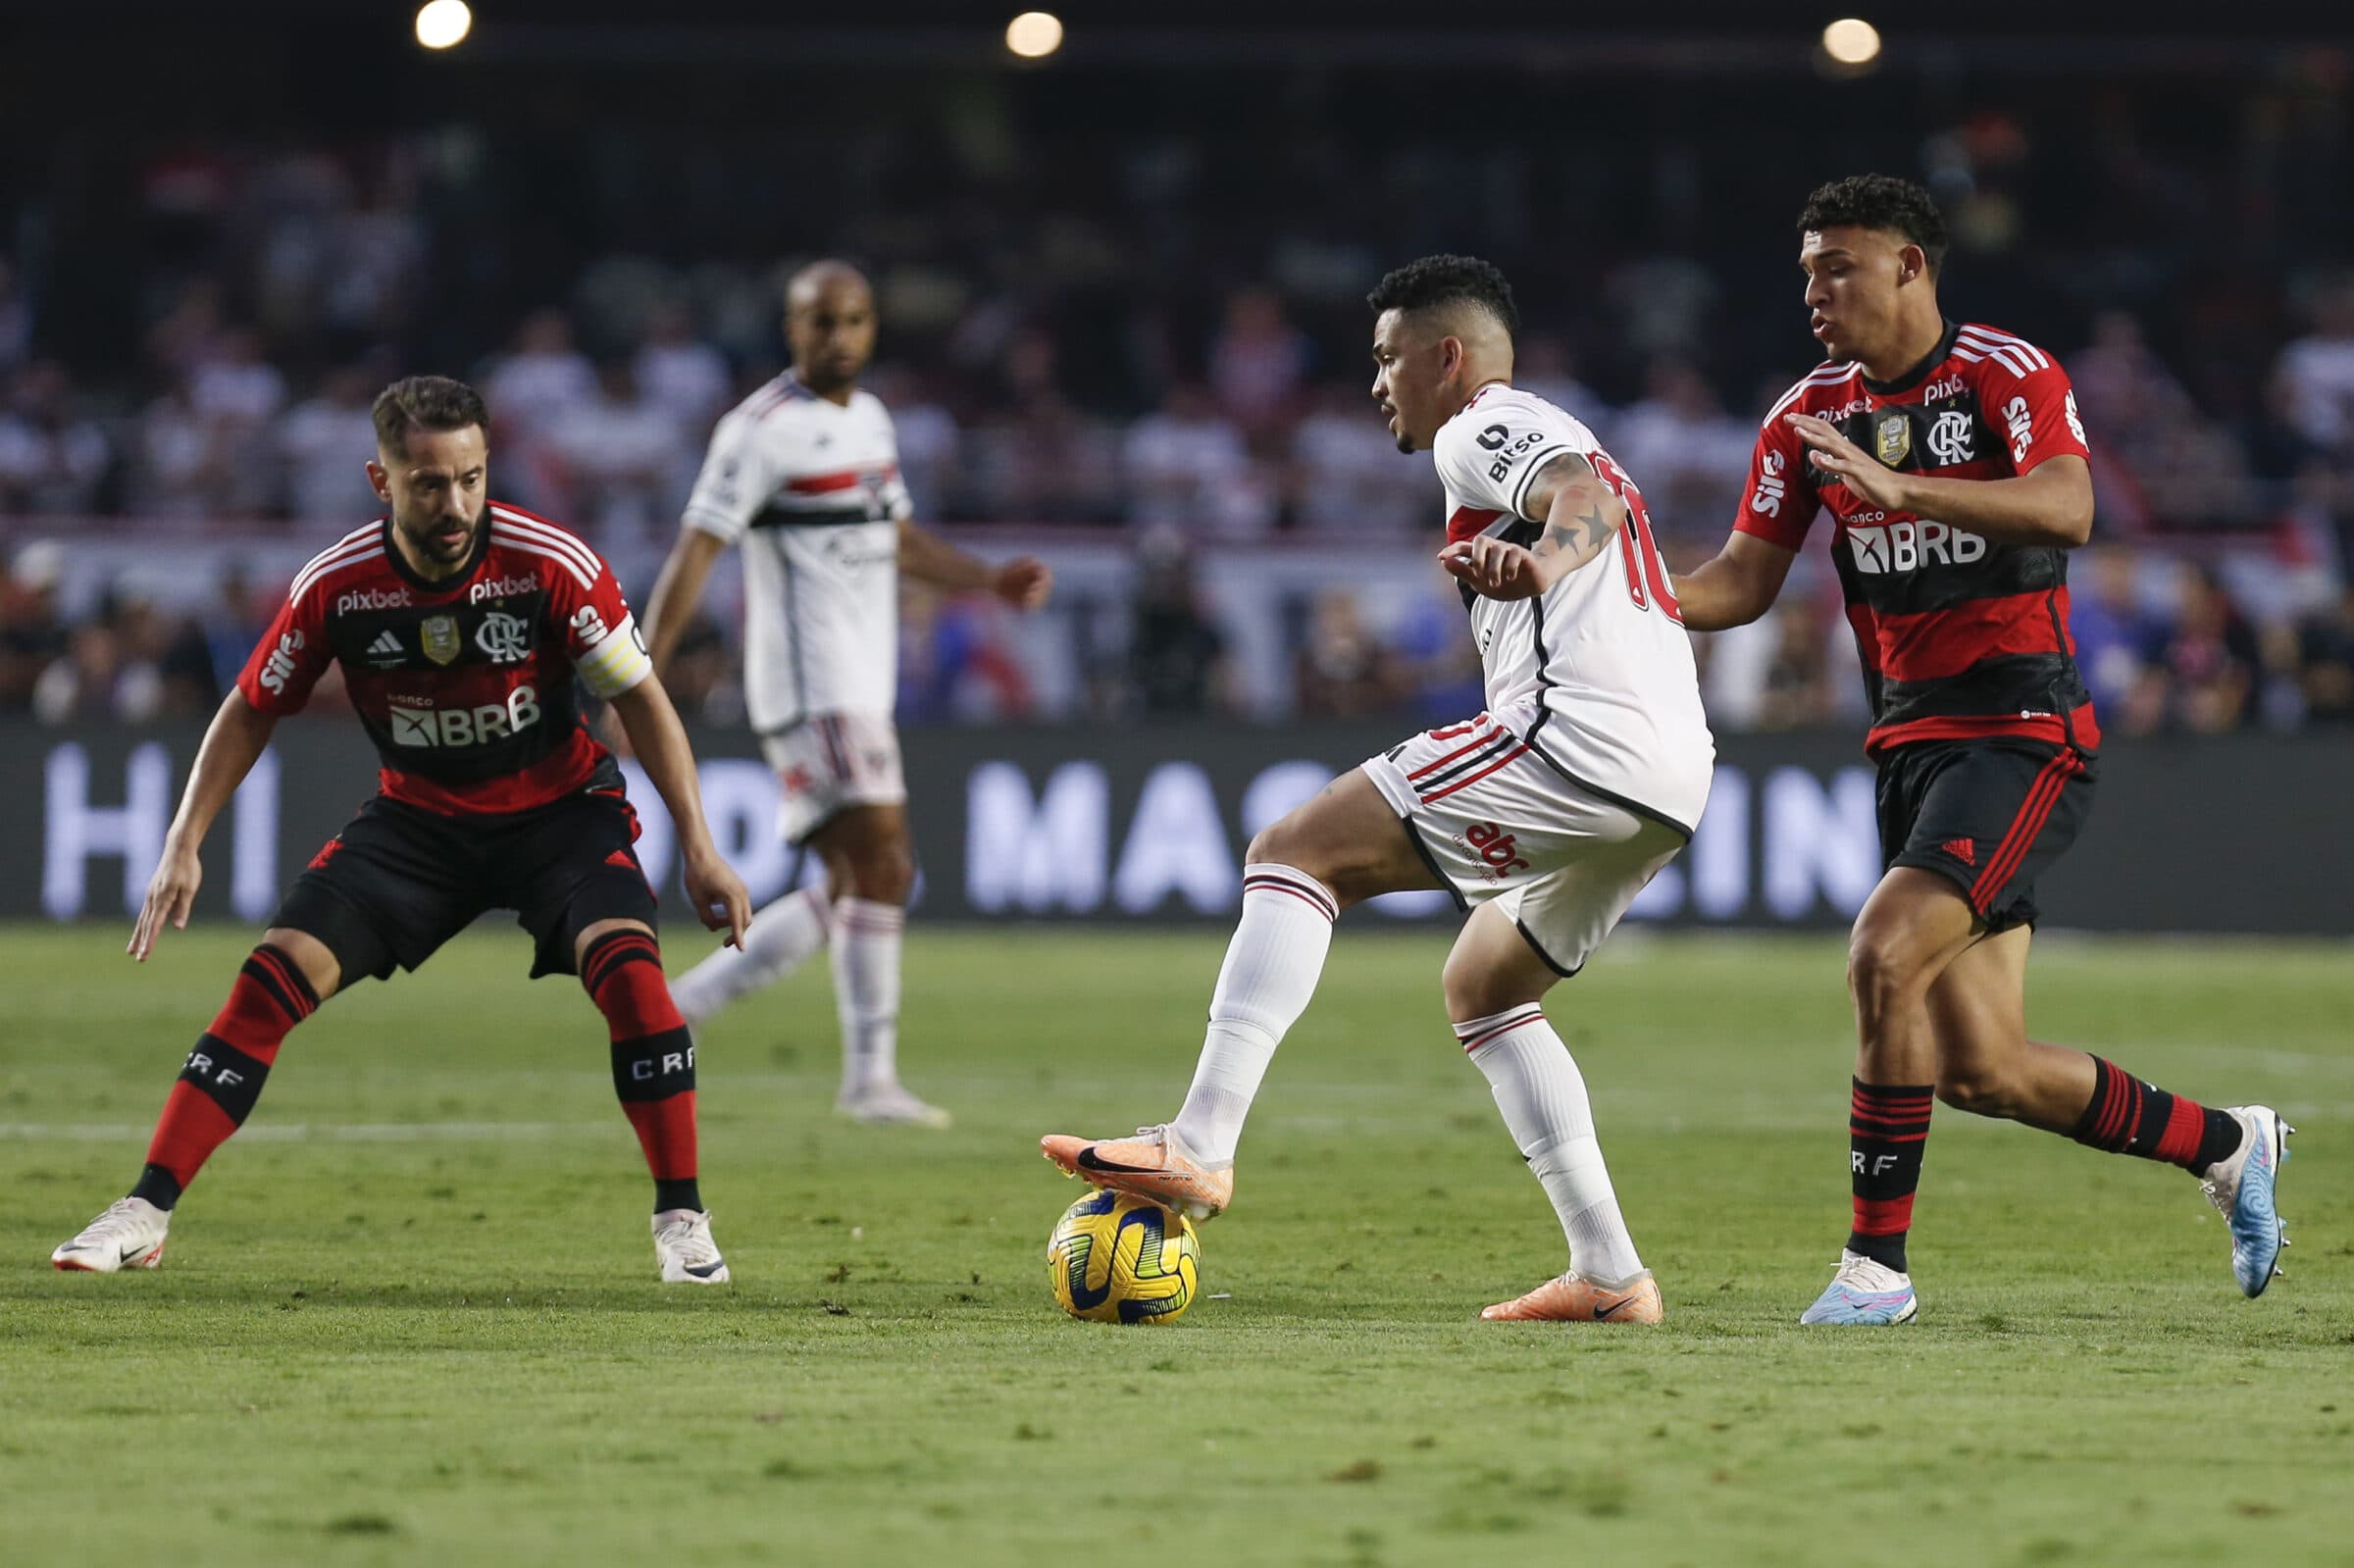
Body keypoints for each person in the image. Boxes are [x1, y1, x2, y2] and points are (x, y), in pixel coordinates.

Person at [1042, 255, 1714, 1324]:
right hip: (1675, 778)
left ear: (1446, 357)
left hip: (1573, 742)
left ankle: (1199, 1142)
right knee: (1486, 991)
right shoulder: (1547, 441)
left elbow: (1575, 504)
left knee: (1293, 851)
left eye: (1387, 358)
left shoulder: (1483, 422)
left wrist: (1542, 563)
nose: (1376, 385)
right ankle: (1610, 1274)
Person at [1672, 176, 2291, 1326]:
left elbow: (2068, 509)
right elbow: (1740, 584)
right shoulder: (1805, 415)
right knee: (1983, 1070)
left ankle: (1875, 1272)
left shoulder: (2007, 374)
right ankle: (2228, 1144)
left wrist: (1903, 484)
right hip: (1908, 742)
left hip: (2020, 726)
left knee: (1882, 952)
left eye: (1839, 266)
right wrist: (1608, 587)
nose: (1815, 290)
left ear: (1912, 265)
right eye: (1808, 269)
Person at [50, 376, 753, 1283]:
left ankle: (683, 1220)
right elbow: (252, 706)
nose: (455, 502)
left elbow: (641, 698)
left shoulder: (549, 563)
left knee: (634, 982)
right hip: (419, 824)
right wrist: (184, 838)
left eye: (471, 477)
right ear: (382, 482)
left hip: (559, 816)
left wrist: (698, 843)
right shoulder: (339, 586)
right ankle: (144, 1210)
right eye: (429, 482)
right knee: (267, 984)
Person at [639, 261, 1051, 1128]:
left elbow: (894, 535)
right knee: (887, 866)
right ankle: (869, 1079)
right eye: (820, 321)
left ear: (872, 329)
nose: (839, 336)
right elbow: (694, 555)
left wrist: (987, 579)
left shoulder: (869, 419)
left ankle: (682, 1008)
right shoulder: (756, 431)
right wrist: (636, 671)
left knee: (854, 879)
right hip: (810, 681)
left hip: (863, 680)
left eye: (855, 320)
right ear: (792, 330)